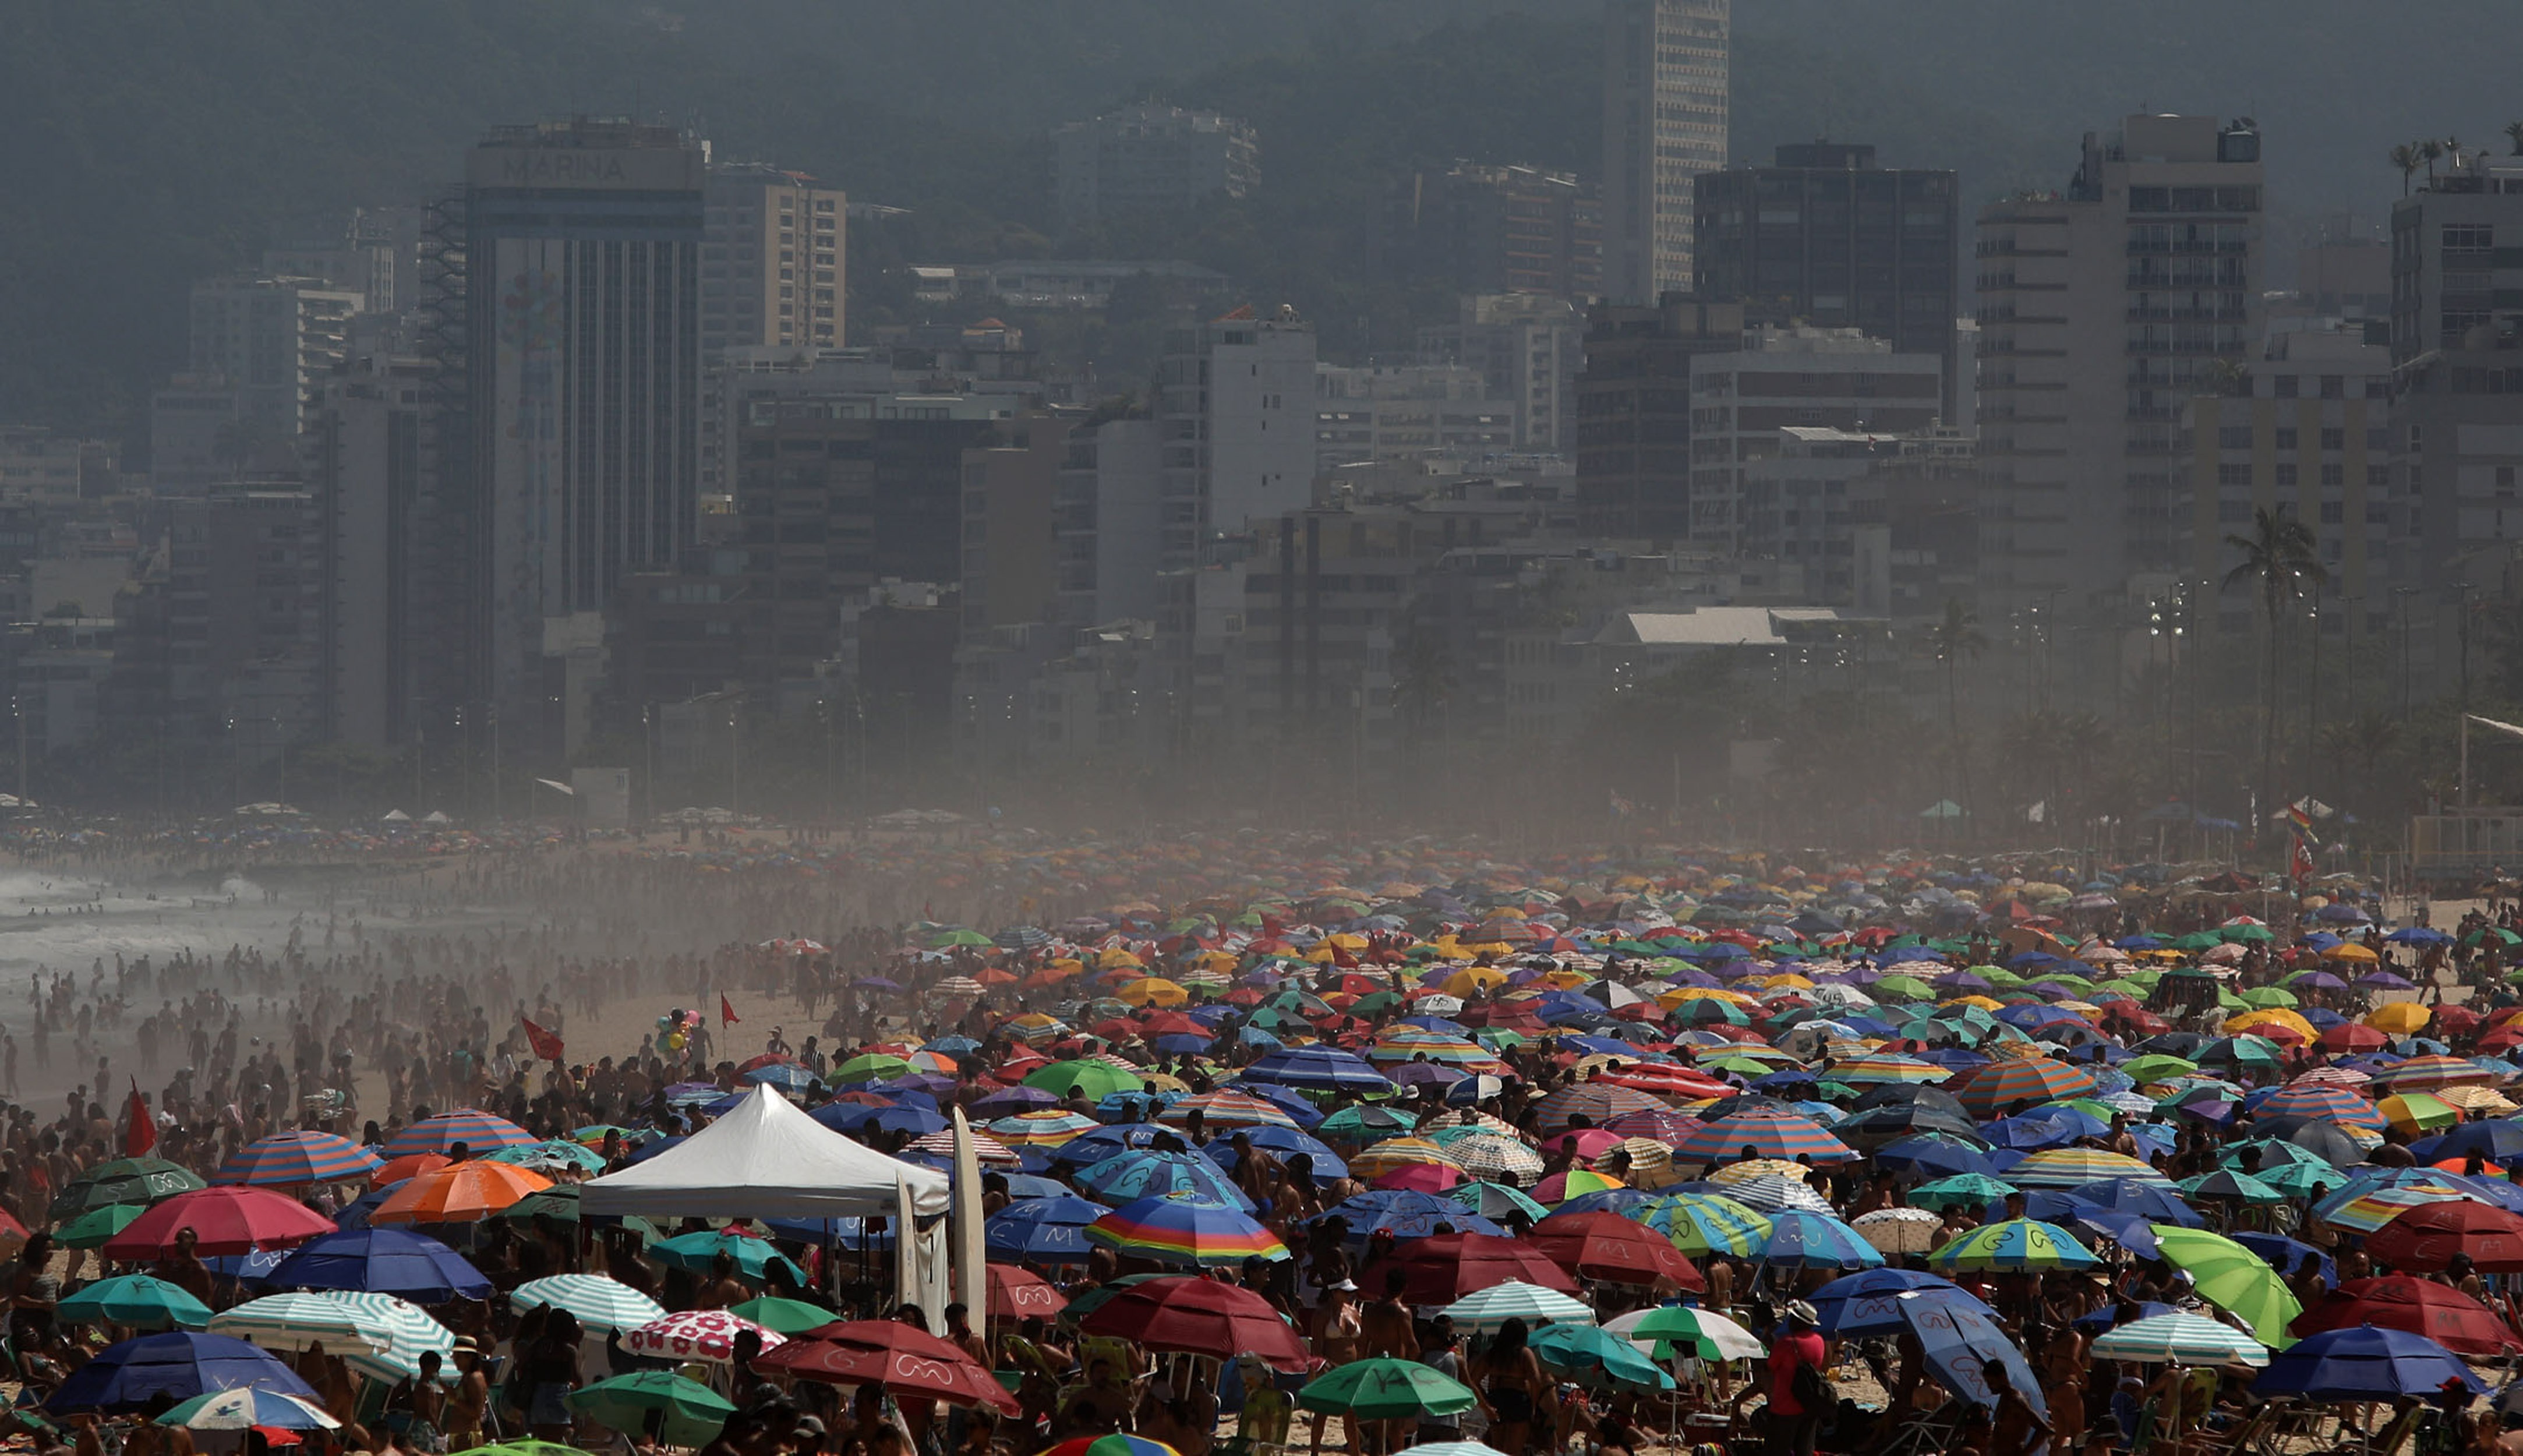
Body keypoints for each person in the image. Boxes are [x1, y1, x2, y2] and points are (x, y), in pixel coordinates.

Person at [1472, 1317, 1546, 1456]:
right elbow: (1536, 1381)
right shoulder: (1524, 1354)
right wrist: (1534, 1406)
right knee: (1513, 1451)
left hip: (1496, 1400)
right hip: (1518, 1401)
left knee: (1497, 1450)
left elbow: (1473, 1380)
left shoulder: (1493, 1354)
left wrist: (1485, 1404)